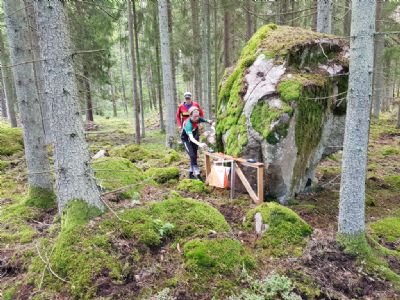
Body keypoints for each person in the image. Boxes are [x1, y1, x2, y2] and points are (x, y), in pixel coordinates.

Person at [181, 106, 214, 181]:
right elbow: (191, 138)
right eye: (195, 116)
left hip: (194, 137)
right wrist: (200, 144)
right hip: (186, 139)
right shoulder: (188, 124)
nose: (197, 118)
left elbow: (205, 120)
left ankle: (190, 174)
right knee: (192, 155)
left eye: (198, 116)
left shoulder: (198, 119)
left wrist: (211, 122)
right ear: (190, 115)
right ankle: (198, 174)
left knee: (194, 156)